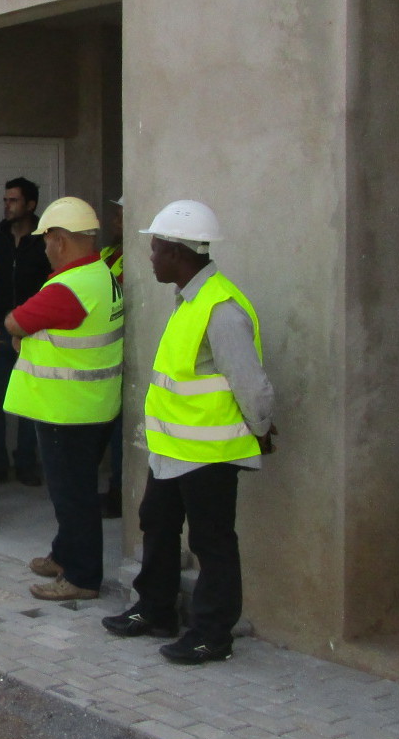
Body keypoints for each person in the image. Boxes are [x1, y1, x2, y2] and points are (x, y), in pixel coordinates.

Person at [101, 200, 275, 665]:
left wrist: (260, 429)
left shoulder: (220, 309)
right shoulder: (190, 301)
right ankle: (156, 610)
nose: (151, 257)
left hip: (210, 454)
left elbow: (250, 382)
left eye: (156, 248)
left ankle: (212, 634)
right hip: (174, 449)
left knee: (212, 542)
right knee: (157, 523)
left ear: (178, 253)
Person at [2, 197, 123, 603]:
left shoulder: (69, 286)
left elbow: (14, 320)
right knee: (74, 491)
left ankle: (82, 577)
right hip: (89, 404)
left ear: (61, 241)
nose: (45, 248)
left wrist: (20, 331)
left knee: (73, 496)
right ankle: (64, 555)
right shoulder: (102, 275)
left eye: (47, 240)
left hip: (65, 409)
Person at [0, 177, 50, 485]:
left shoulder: (44, 240)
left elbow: (51, 287)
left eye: (14, 200)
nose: (7, 205)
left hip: (33, 335)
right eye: (5, 200)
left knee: (30, 402)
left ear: (30, 205)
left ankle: (26, 462)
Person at [98, 195, 126, 518]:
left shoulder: (131, 260)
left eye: (120, 215)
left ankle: (118, 491)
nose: (114, 222)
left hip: (121, 352)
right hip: (102, 354)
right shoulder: (107, 254)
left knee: (119, 429)